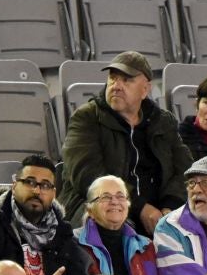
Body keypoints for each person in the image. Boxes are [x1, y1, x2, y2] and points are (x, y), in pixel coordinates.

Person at [59, 53, 193, 236]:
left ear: (145, 90)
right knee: (116, 224)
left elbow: (184, 169)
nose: (116, 86)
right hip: (102, 206)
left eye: (126, 80)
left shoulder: (163, 121)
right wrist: (141, 208)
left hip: (159, 212)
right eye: (112, 78)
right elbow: (88, 176)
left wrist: (169, 207)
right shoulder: (87, 117)